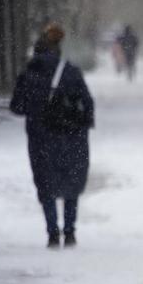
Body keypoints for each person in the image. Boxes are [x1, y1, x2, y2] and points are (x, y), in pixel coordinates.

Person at [10, 23, 95, 249]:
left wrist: (37, 109)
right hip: (71, 137)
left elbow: (16, 107)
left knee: (46, 184)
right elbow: (87, 104)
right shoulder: (71, 71)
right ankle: (69, 232)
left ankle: (51, 233)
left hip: (41, 138)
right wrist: (76, 121)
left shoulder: (29, 74)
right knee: (71, 183)